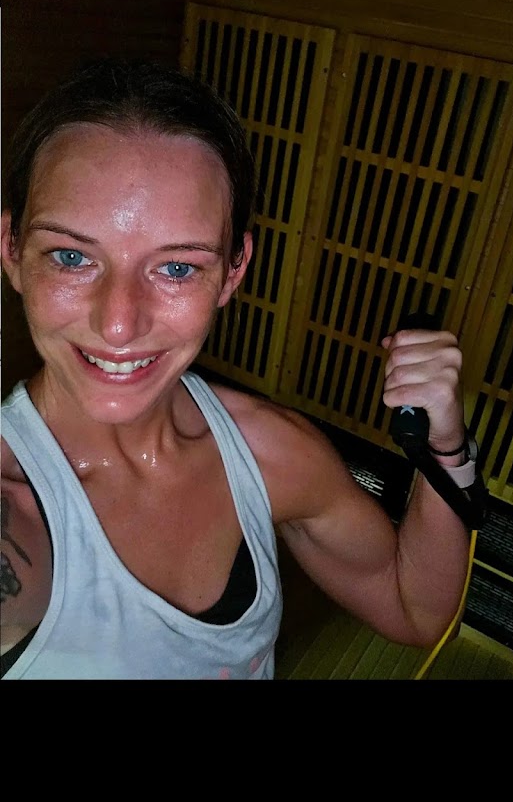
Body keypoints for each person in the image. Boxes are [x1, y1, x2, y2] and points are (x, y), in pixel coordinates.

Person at [1, 57, 473, 680]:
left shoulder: (269, 453)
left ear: (233, 271)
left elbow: (414, 608)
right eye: (70, 256)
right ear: (11, 250)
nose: (118, 324)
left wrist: (444, 446)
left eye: (177, 268)